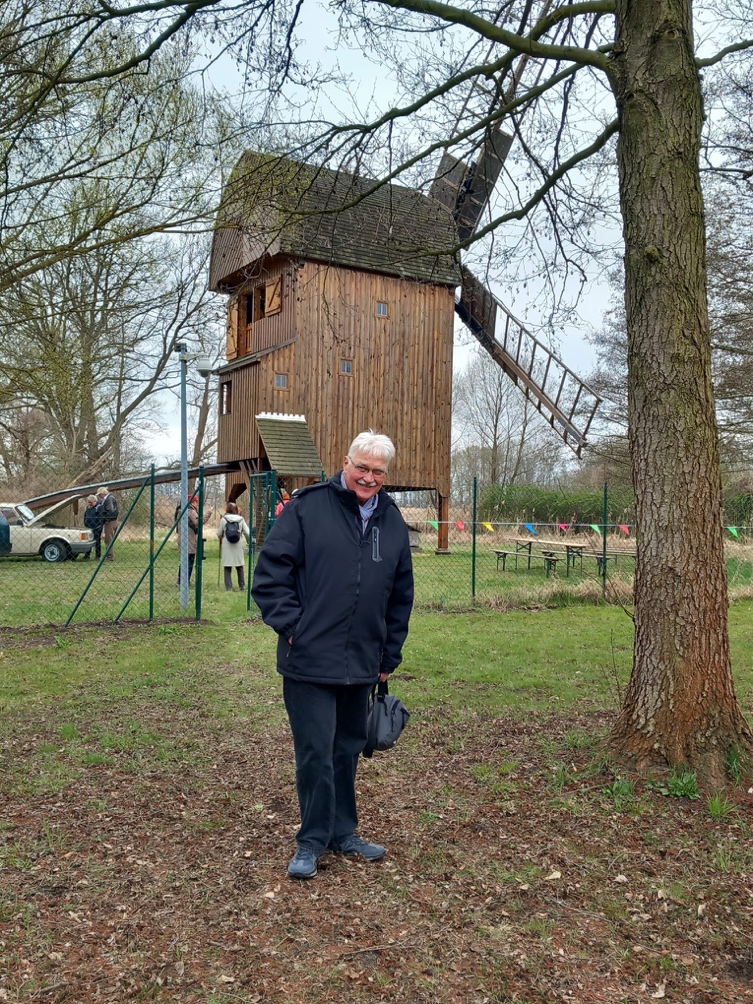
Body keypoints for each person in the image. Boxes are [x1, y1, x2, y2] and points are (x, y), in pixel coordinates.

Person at [252, 430, 414, 880]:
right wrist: (294, 627)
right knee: (315, 752)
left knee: (347, 749)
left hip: (362, 660)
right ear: (346, 462)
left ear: (386, 474)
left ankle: (344, 832)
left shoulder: (392, 520)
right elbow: (269, 576)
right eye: (361, 467)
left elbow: (401, 595)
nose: (368, 477)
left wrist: (388, 655)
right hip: (308, 659)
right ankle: (311, 839)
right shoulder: (307, 508)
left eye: (377, 472)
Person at [176, 493, 213, 584]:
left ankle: (180, 579)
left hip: (183, 538)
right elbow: (198, 522)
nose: (197, 504)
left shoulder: (181, 510)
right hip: (189, 539)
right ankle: (186, 581)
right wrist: (209, 513)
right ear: (191, 502)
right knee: (190, 561)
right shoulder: (190, 511)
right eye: (196, 502)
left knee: (184, 561)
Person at [217, 502, 250, 591]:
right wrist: (248, 541)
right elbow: (247, 533)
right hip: (238, 544)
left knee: (227, 566)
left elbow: (219, 533)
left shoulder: (224, 520)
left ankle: (229, 587)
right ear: (236, 510)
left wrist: (221, 537)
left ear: (227, 509)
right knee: (239, 566)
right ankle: (242, 586)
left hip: (227, 544)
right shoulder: (241, 519)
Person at [96, 487, 119, 561]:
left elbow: (110, 510)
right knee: (109, 539)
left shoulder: (109, 499)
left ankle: (110, 557)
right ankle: (109, 555)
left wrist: (106, 519)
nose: (99, 496)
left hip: (110, 522)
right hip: (113, 521)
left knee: (108, 540)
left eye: (99, 495)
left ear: (102, 493)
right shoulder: (110, 498)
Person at [83, 494, 103, 559]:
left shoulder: (99, 507)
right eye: (89, 502)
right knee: (88, 541)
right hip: (89, 527)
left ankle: (97, 556)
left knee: (97, 541)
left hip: (97, 527)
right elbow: (85, 515)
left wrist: (98, 525)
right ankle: (87, 555)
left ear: (95, 501)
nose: (90, 504)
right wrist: (85, 523)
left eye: (91, 502)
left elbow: (101, 517)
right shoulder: (88, 507)